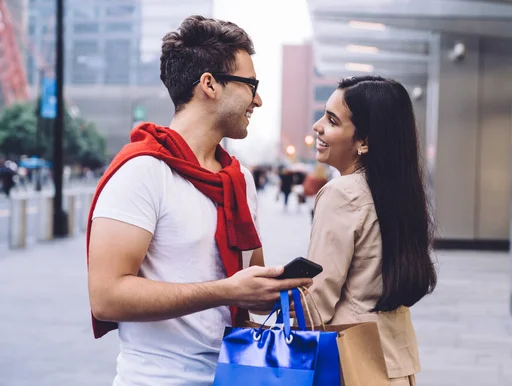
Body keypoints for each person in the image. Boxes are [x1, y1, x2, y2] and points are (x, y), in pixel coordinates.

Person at [86, 16, 311, 386]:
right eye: (250, 85)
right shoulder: (143, 172)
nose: (258, 99)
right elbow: (107, 297)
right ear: (209, 84)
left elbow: (245, 284)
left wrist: (272, 291)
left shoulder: (239, 182)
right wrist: (226, 291)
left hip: (236, 373)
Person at [304, 76, 437, 385]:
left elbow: (319, 299)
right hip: (395, 364)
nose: (318, 126)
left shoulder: (342, 193)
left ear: (364, 140)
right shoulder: (400, 192)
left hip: (349, 363)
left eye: (333, 120)